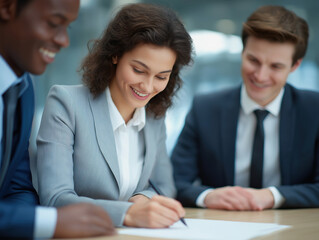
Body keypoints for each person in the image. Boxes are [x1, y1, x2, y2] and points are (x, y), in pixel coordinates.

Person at [36, 3, 193, 228]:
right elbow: (54, 199)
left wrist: (143, 199)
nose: (148, 87)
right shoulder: (66, 104)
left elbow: (164, 187)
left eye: (161, 76)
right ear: (115, 55)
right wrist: (128, 213)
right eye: (139, 70)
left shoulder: (154, 117)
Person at [172, 5, 319, 210]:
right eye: (253, 60)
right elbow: (174, 181)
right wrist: (207, 196)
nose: (260, 75)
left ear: (295, 66)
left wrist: (272, 196)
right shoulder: (205, 108)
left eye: (275, 66)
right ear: (242, 52)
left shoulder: (314, 110)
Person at [0, 0, 115, 238]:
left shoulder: (22, 88)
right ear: (7, 7)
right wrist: (45, 222)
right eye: (53, 23)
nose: (64, 40)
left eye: (68, 28)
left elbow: (17, 187)